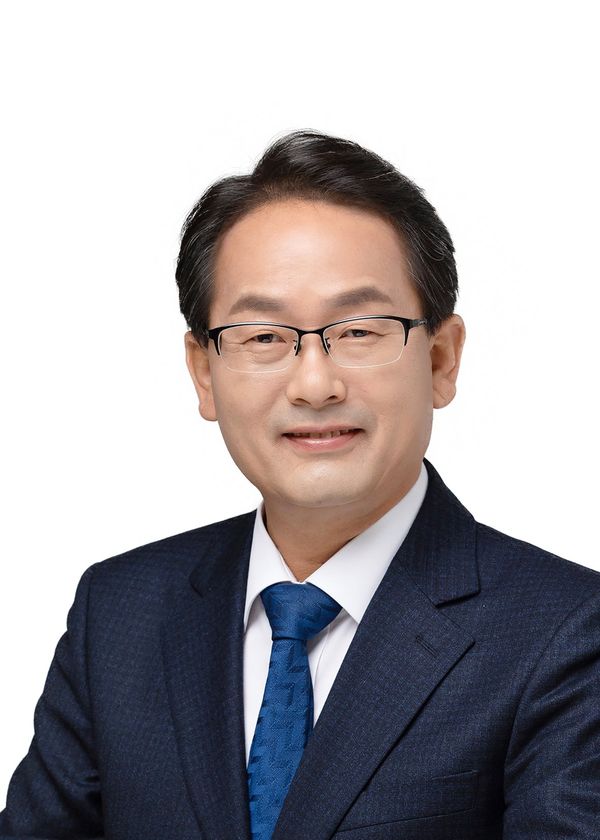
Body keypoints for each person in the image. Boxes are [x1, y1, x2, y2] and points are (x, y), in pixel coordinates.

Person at [1, 129, 599, 840]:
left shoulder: (567, 631)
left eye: (360, 330)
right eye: (263, 337)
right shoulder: (120, 612)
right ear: (204, 374)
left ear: (441, 359)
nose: (315, 384)